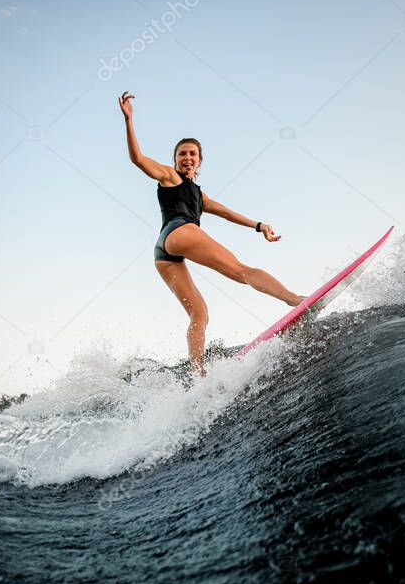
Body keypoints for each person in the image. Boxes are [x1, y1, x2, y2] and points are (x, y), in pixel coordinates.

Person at [119, 91, 304, 375]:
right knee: (242, 270)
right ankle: (294, 299)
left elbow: (227, 213)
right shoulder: (170, 176)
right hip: (180, 232)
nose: (187, 158)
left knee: (199, 313)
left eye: (193, 154)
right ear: (175, 159)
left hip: (163, 253)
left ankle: (197, 372)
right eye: (182, 154)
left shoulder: (199, 195)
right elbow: (138, 159)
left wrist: (258, 226)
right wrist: (129, 120)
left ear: (200, 160)